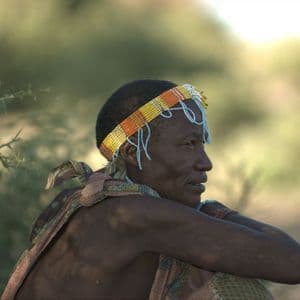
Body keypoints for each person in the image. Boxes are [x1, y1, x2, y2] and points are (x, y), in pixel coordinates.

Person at [2, 79, 300, 300]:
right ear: (132, 153)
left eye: (202, 144)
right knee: (235, 288)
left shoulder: (82, 199)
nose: (205, 163)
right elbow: (291, 262)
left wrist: (207, 213)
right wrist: (211, 213)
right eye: (188, 144)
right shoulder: (132, 214)